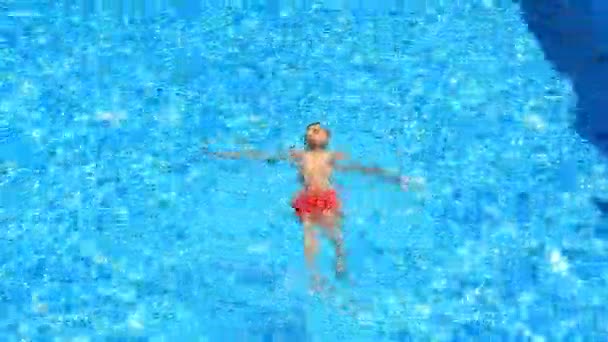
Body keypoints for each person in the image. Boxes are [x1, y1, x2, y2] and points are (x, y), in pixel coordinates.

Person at [203, 122, 422, 289]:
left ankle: (339, 262)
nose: (313, 132)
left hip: (326, 197)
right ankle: (315, 276)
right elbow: (262, 155)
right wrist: (225, 153)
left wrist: (395, 177)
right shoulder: (300, 155)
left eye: (318, 130)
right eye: (310, 130)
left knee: (335, 234)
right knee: (309, 235)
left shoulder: (332, 156)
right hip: (307, 199)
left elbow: (362, 168)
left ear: (328, 137)